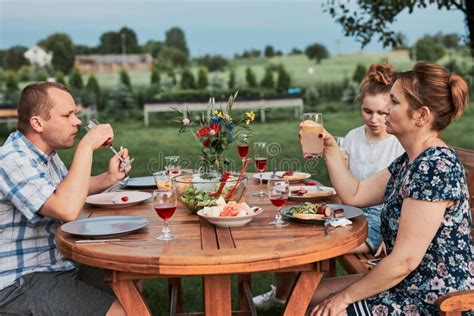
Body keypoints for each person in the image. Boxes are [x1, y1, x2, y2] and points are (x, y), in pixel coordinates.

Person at [310, 62, 473, 315]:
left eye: (394, 102)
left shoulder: (434, 167)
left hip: (435, 297)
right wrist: (330, 149)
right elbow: (355, 194)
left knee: (325, 310)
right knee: (307, 296)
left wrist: (342, 299)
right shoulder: (409, 160)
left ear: (421, 115)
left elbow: (404, 261)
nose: (385, 109)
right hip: (406, 282)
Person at [252, 63, 404, 310]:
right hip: (350, 211)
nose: (374, 119)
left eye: (382, 113)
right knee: (294, 231)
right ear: (360, 107)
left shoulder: (398, 144)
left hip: (379, 220)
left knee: (313, 243)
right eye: (368, 111)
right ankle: (284, 295)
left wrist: (393, 232)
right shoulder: (354, 137)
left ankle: (294, 296)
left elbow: (403, 197)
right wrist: (338, 164)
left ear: (391, 110)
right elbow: (347, 190)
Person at [0, 82, 131, 315]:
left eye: (76, 114)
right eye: (67, 115)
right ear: (37, 123)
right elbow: (66, 208)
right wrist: (86, 146)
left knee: (127, 278)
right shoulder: (12, 159)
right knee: (121, 313)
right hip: (20, 279)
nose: (77, 121)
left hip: (59, 262)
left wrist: (108, 177)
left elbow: (64, 190)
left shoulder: (45, 154)